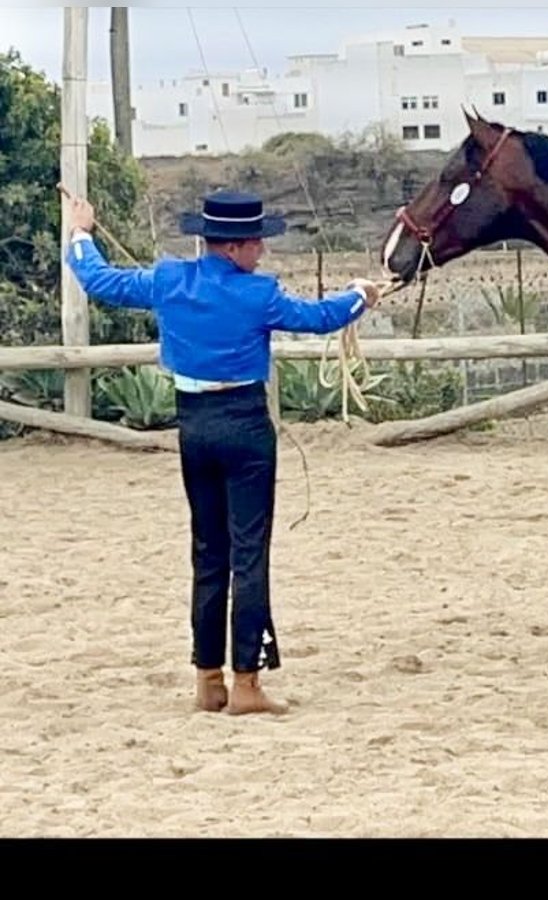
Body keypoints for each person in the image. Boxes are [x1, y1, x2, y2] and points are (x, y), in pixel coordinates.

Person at [65, 189, 381, 715]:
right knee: (249, 553)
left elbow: (99, 280)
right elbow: (319, 317)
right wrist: (359, 296)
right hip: (245, 426)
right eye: (256, 242)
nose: (262, 250)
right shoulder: (258, 294)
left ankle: (208, 678)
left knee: (209, 551)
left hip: (193, 425)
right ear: (234, 247)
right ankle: (247, 683)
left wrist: (81, 232)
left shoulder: (169, 279)